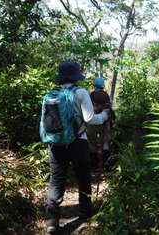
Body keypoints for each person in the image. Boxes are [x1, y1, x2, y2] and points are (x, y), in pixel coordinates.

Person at [43, 61, 109, 235]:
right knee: (83, 177)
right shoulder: (80, 93)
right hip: (78, 142)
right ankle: (85, 214)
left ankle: (51, 221)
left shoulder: (50, 94)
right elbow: (89, 119)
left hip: (56, 143)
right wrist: (104, 115)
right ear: (75, 76)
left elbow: (44, 123)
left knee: (56, 180)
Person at [86, 77, 114, 169]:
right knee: (105, 142)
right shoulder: (106, 96)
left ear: (94, 85)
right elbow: (109, 108)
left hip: (93, 122)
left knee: (91, 143)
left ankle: (93, 165)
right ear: (102, 85)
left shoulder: (91, 95)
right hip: (105, 122)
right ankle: (106, 164)